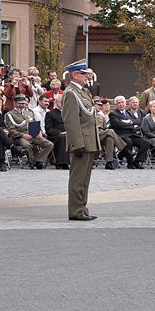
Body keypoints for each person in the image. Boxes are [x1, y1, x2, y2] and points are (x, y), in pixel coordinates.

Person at [61, 60, 100, 221]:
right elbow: (71, 121)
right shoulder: (70, 93)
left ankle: (82, 208)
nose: (87, 76)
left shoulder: (83, 92)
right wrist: (77, 144)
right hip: (81, 142)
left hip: (89, 140)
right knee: (77, 179)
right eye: (84, 74)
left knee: (85, 179)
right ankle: (75, 211)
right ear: (75, 75)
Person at [5, 93, 54, 169]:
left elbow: (34, 123)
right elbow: (11, 130)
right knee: (27, 145)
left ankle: (39, 160)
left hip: (32, 134)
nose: (22, 105)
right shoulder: (10, 114)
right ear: (14, 103)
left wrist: (39, 132)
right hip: (19, 137)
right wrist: (23, 135)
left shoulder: (29, 112)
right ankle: (32, 161)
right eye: (19, 103)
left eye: (23, 103)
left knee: (49, 144)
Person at [109, 95, 151, 169]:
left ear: (125, 103)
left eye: (122, 102)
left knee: (146, 142)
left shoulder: (129, 112)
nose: (121, 104)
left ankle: (137, 161)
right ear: (116, 104)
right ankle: (130, 163)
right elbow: (119, 125)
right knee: (129, 141)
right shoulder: (113, 114)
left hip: (132, 134)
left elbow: (138, 120)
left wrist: (130, 121)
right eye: (119, 103)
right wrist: (132, 125)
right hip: (121, 135)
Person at [94, 99, 126, 170]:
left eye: (101, 105)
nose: (100, 107)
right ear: (93, 106)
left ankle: (109, 162)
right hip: (92, 134)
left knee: (109, 139)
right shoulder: (89, 115)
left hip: (101, 134)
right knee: (110, 131)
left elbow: (105, 127)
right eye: (98, 105)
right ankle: (124, 149)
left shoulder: (101, 116)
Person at [44, 94, 70, 169]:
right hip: (56, 136)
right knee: (63, 137)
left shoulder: (69, 113)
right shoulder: (50, 114)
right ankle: (62, 163)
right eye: (62, 102)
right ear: (56, 102)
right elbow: (48, 129)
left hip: (69, 133)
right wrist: (59, 132)